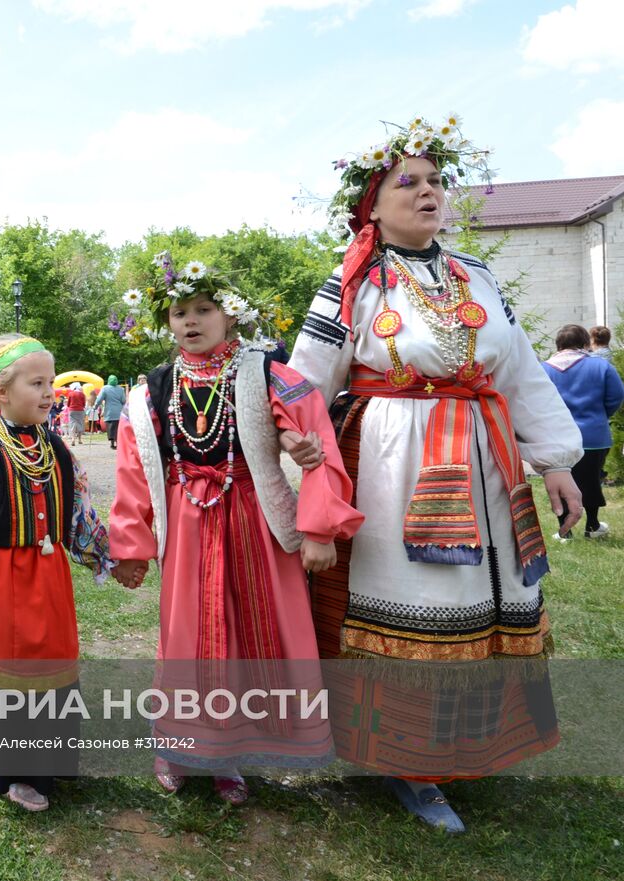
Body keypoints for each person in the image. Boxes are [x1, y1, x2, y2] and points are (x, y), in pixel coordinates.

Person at [289, 117, 583, 831]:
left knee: (481, 599)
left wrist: (555, 463)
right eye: (407, 183)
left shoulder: (474, 276)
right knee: (416, 601)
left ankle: (458, 744)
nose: (428, 193)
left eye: (434, 181)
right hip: (394, 465)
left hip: (484, 462)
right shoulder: (353, 282)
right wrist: (303, 462)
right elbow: (301, 382)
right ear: (373, 204)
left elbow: (518, 373)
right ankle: (404, 761)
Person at [109, 258, 363, 805]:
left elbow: (316, 443)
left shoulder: (267, 373)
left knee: (251, 633)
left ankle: (232, 758)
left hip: (254, 519)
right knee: (189, 639)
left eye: (204, 310)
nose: (191, 321)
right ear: (167, 322)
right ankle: (178, 748)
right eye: (180, 313)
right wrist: (132, 545)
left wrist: (319, 528)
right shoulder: (152, 390)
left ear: (230, 317)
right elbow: (134, 469)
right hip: (186, 524)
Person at [0, 335, 117, 812]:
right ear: (1, 392)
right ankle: (15, 772)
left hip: (48, 577)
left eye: (51, 381)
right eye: (37, 383)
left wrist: (107, 556)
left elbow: (79, 516)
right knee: (9, 675)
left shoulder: (57, 449)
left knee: (51, 664)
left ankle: (51, 758)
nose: (49, 391)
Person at [542, 324, 623, 540]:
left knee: (560, 483)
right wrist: (599, 415)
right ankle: (593, 526)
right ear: (585, 343)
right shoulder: (601, 366)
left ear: (558, 344)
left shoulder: (544, 368)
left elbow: (537, 402)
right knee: (591, 481)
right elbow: (616, 395)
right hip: (594, 435)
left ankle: (564, 531)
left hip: (556, 436)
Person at [94, 375, 127, 450]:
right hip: (119, 412)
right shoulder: (121, 389)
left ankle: (112, 443)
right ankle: (118, 443)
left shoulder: (105, 388)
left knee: (110, 428)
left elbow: (99, 399)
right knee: (118, 428)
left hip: (109, 412)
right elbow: (123, 401)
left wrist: (95, 407)